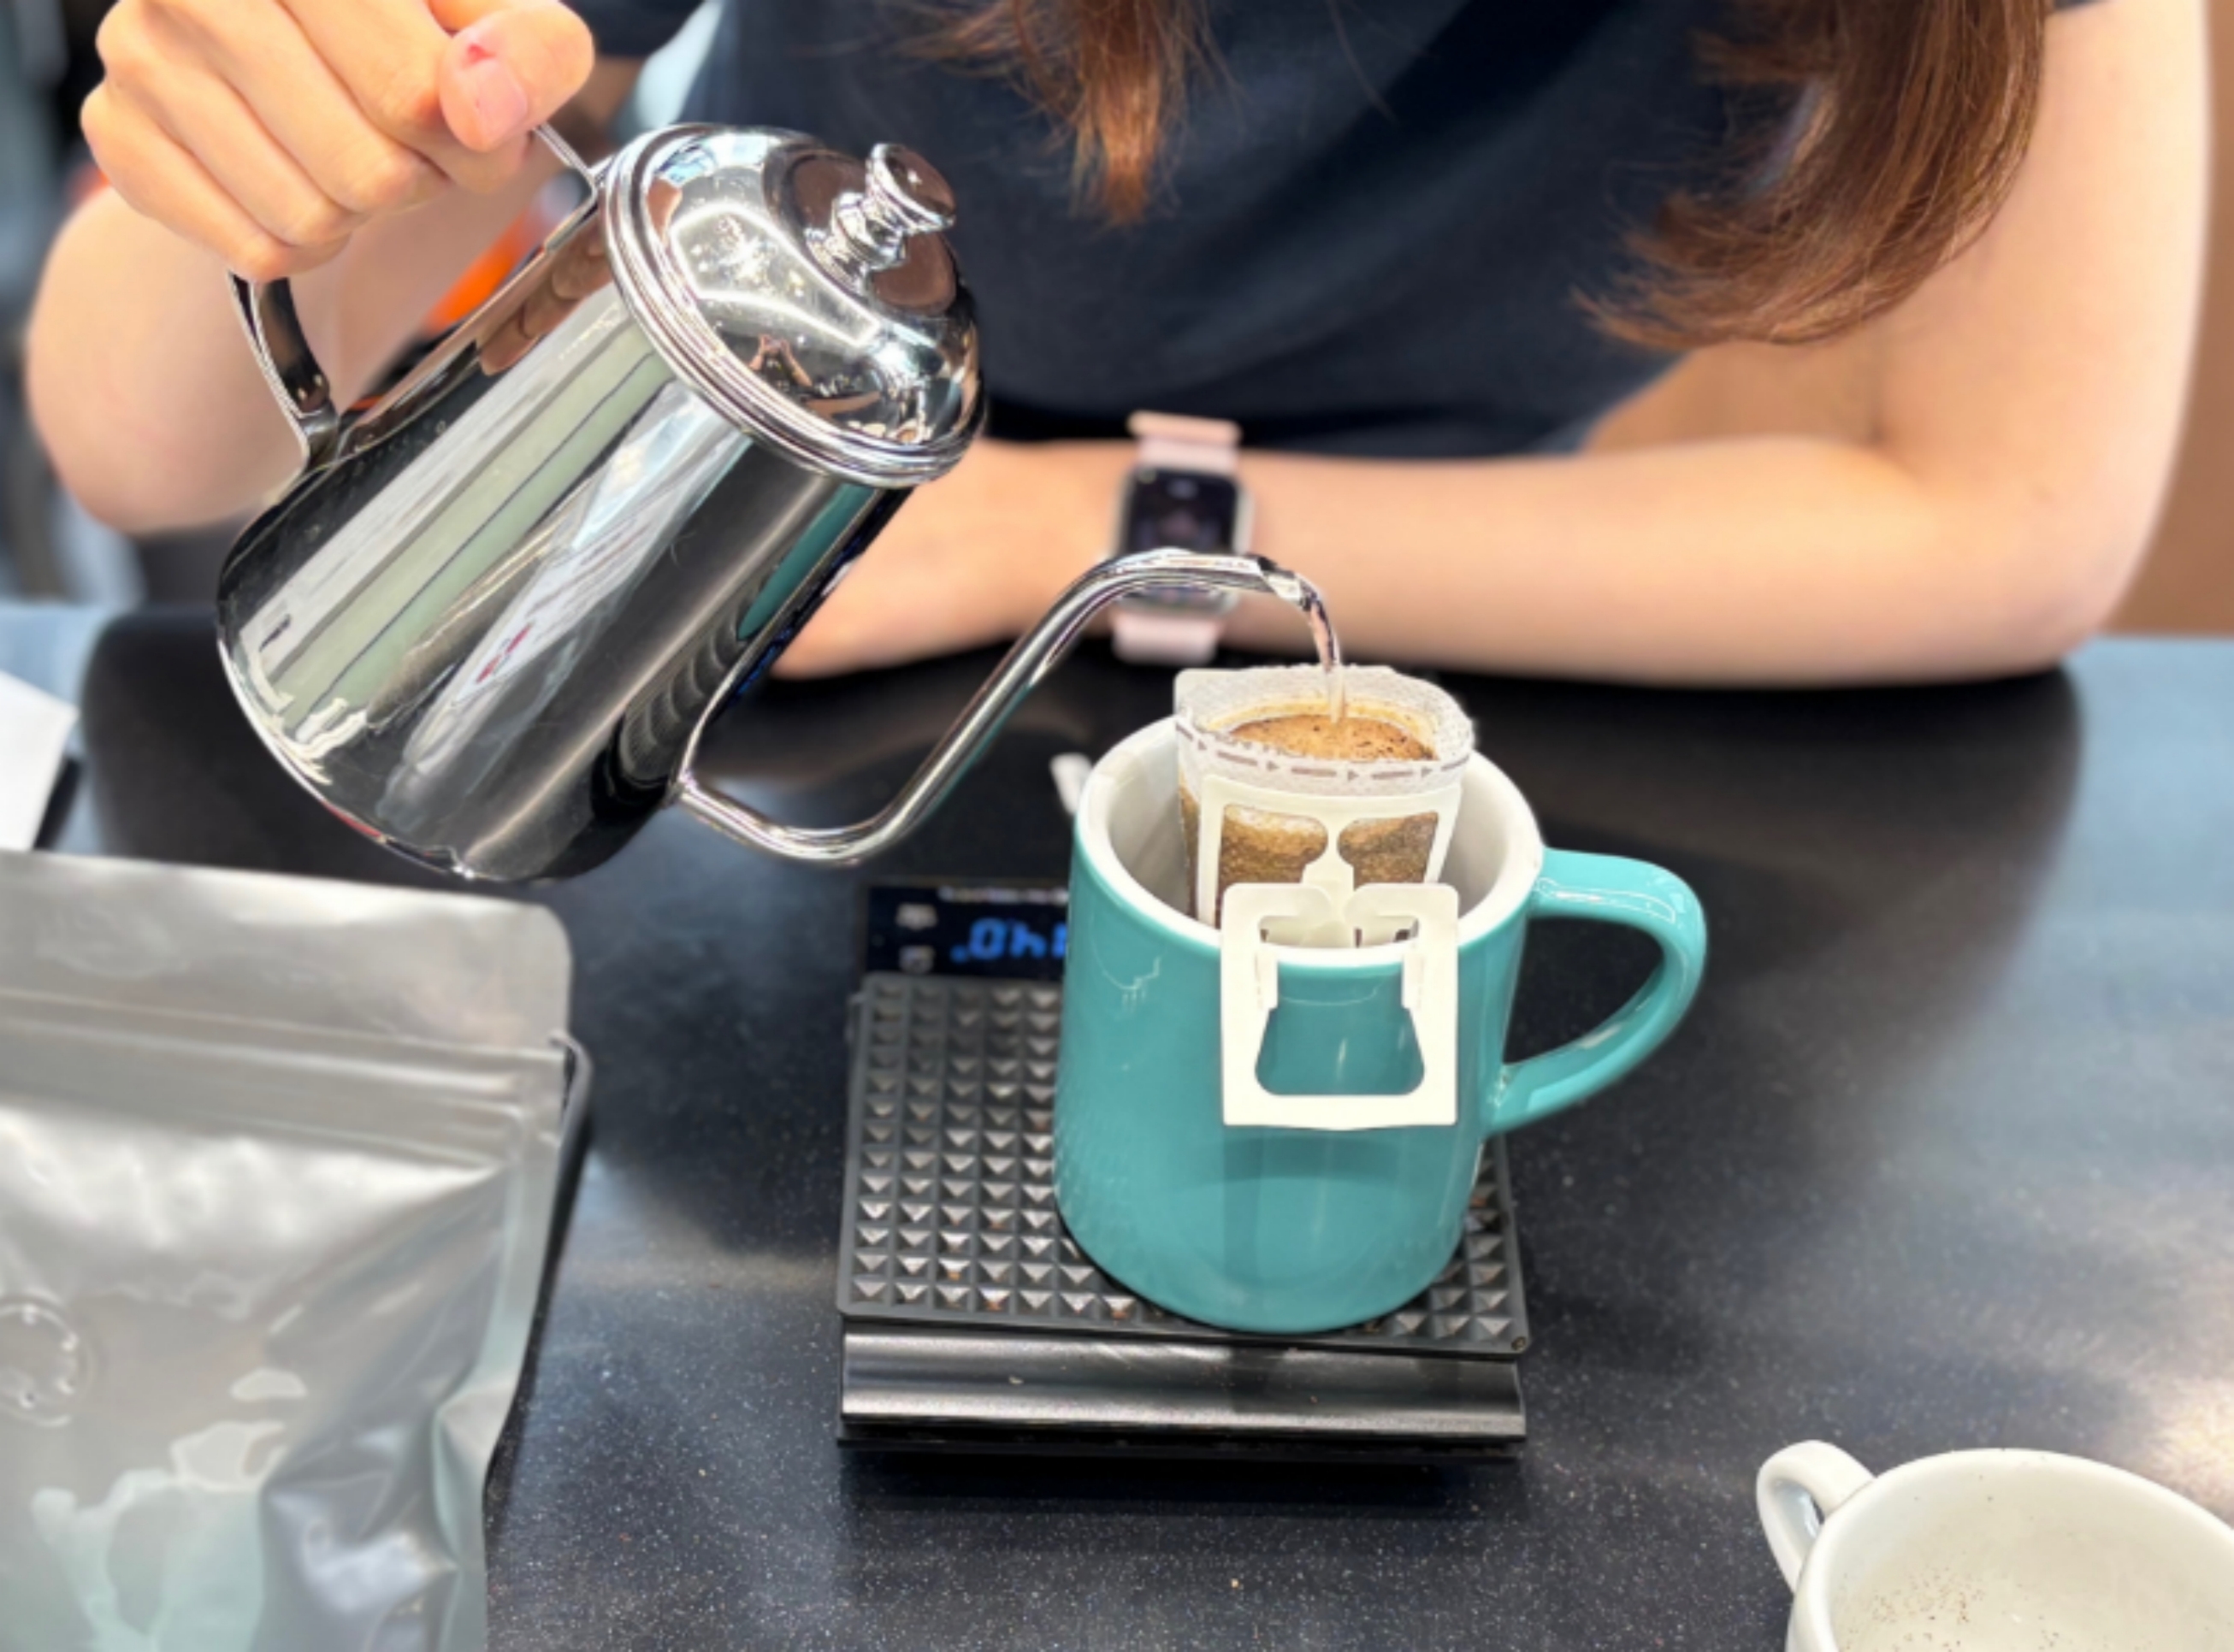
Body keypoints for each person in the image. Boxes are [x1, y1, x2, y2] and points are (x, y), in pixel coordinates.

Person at [24, 0, 2206, 685]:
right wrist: (303, 116)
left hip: (1441, 628)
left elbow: (2010, 524)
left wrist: (1106, 530)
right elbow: (140, 438)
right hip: (743, 540)